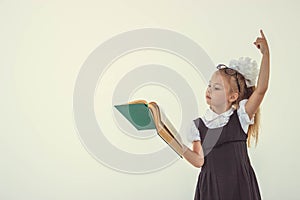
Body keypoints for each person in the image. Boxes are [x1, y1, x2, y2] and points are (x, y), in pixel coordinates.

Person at [182, 30, 270, 200]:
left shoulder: (241, 118)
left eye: (217, 88)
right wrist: (172, 140)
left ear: (232, 97)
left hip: (239, 186)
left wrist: (266, 54)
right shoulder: (198, 126)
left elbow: (261, 90)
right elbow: (198, 160)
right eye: (210, 85)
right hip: (211, 190)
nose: (209, 90)